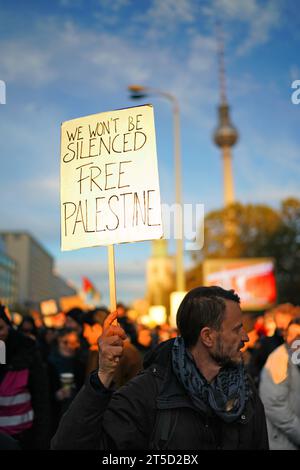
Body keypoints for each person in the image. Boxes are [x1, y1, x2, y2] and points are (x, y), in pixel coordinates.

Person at [51, 286, 268, 450]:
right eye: (237, 329)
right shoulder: (149, 392)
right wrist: (103, 376)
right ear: (208, 336)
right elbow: (69, 445)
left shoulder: (243, 388)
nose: (246, 337)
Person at [0, 305, 50, 449]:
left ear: (9, 327)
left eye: (0, 328)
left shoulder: (27, 351)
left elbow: (41, 400)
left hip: (24, 437)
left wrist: (41, 441)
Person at [259, 317, 300, 450]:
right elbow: (274, 405)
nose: (294, 340)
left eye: (299, 335)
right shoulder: (279, 359)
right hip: (282, 442)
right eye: (291, 335)